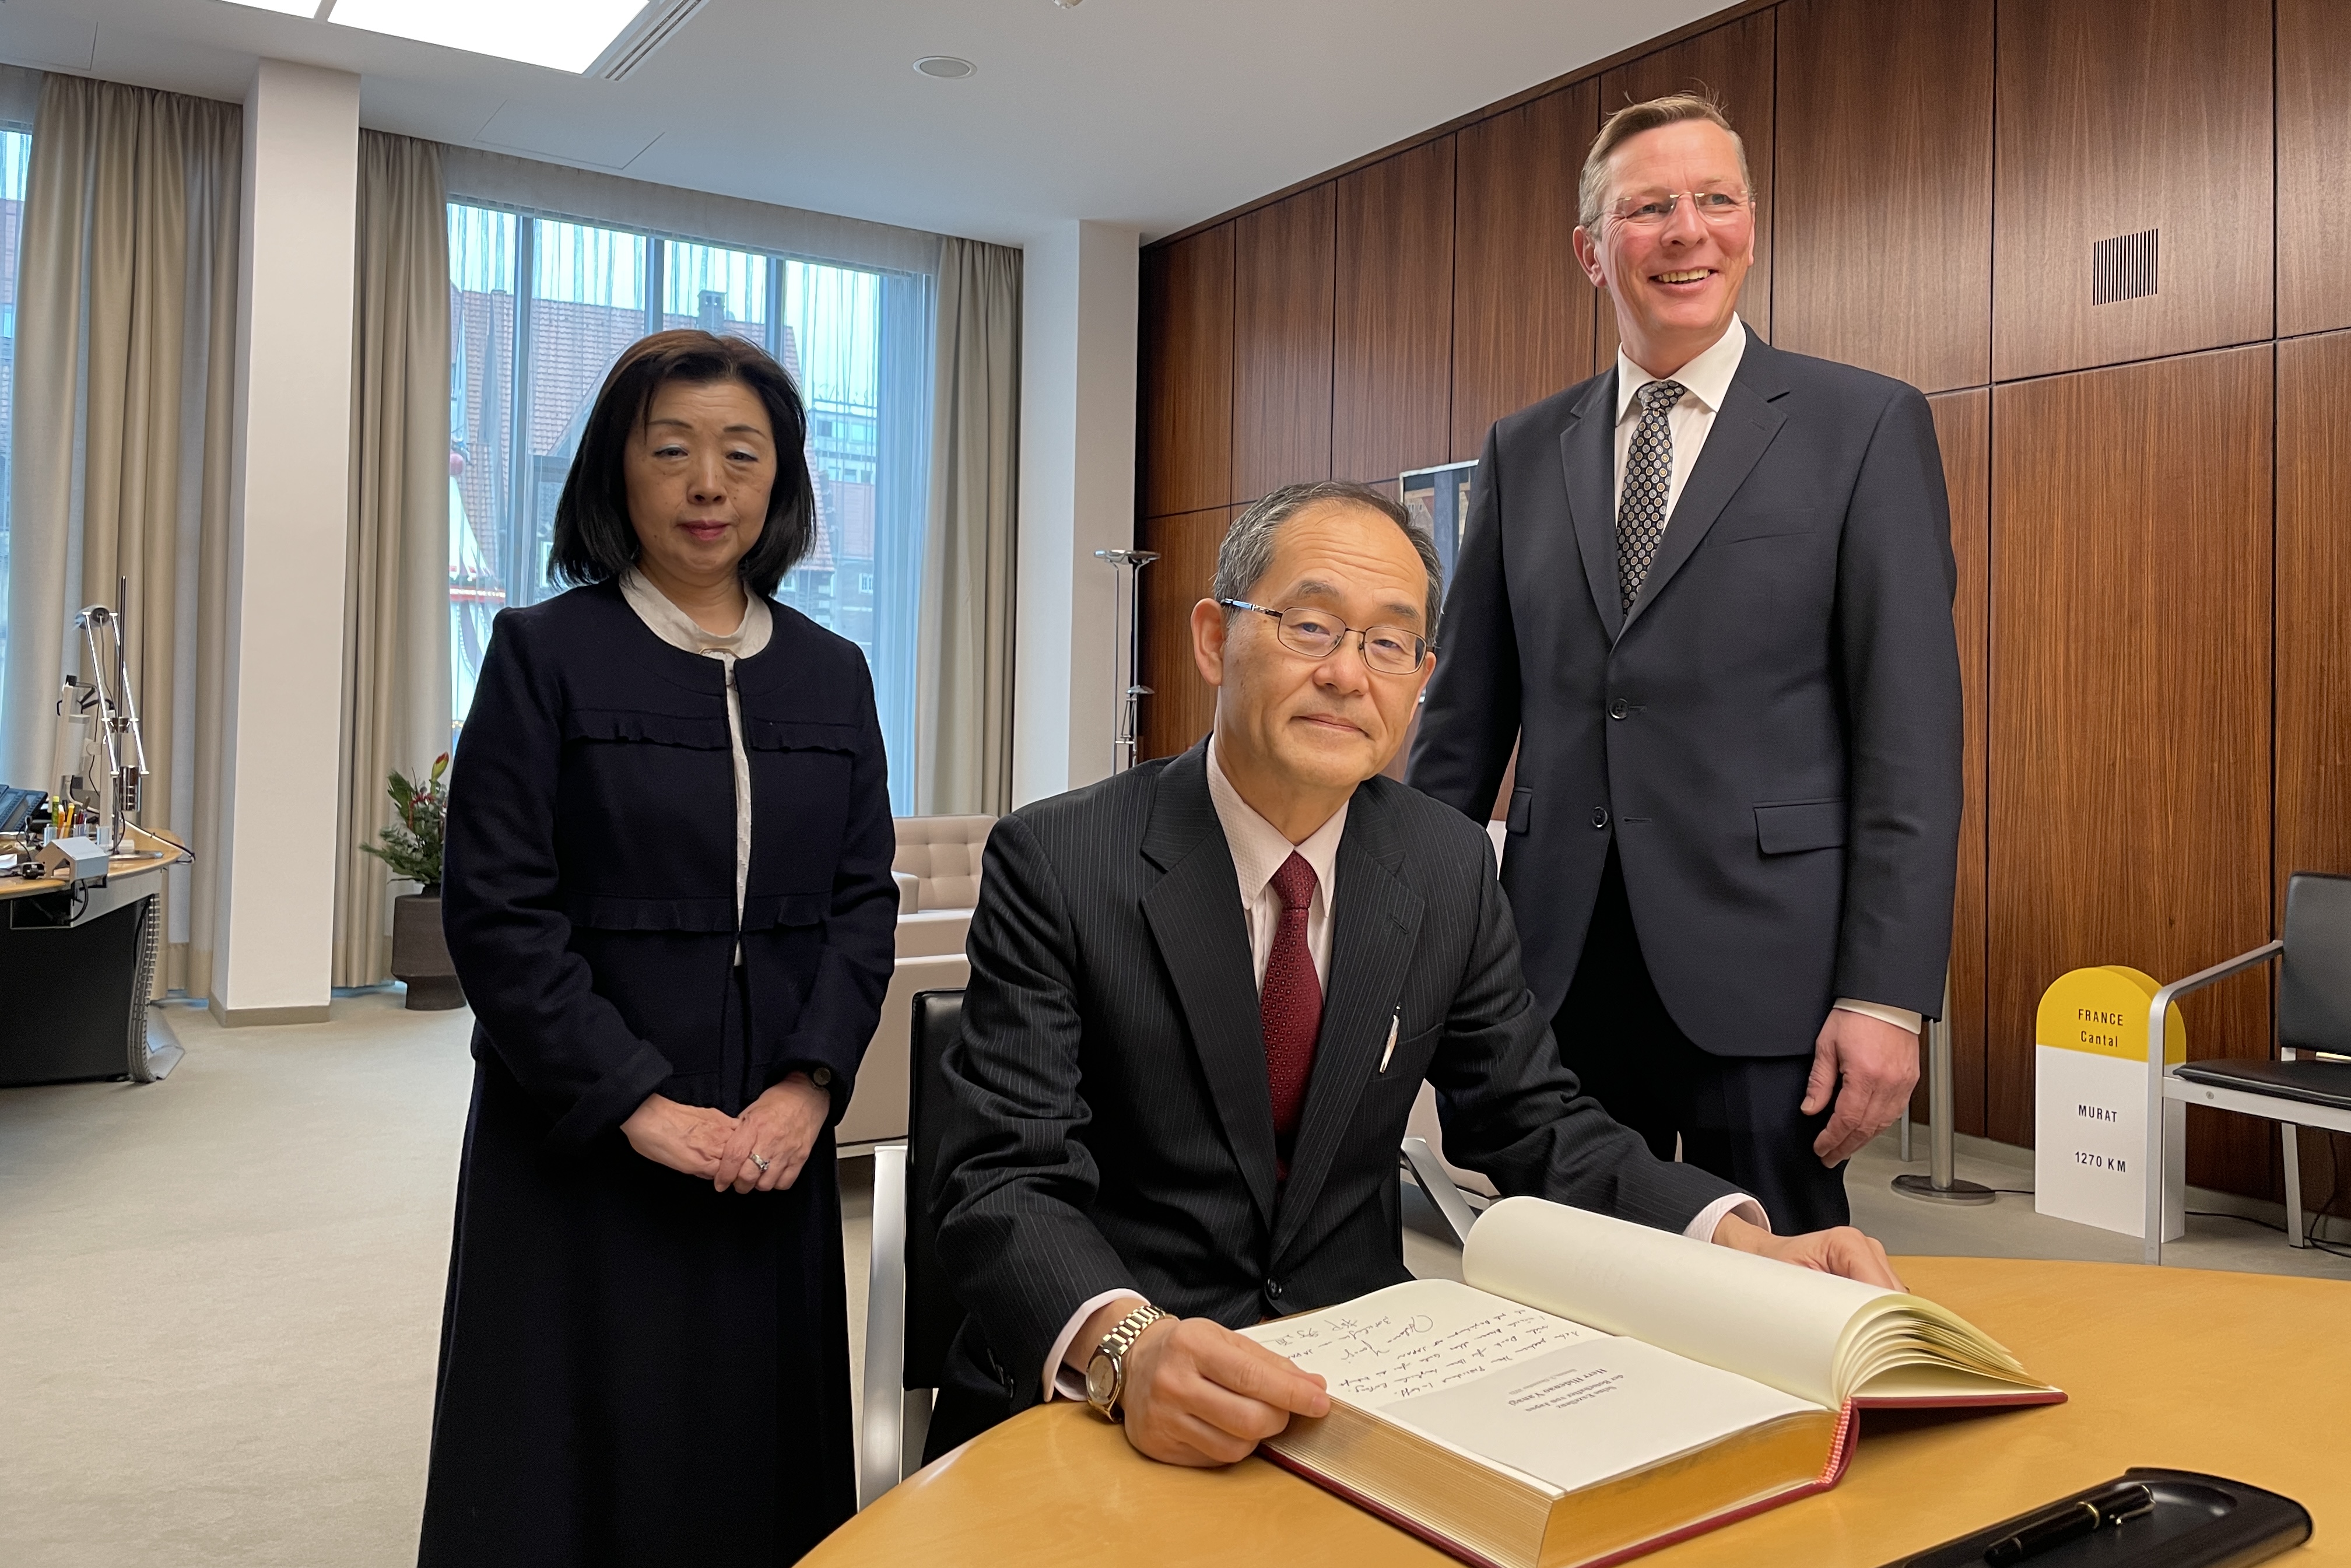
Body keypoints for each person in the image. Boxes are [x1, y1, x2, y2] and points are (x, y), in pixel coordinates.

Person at [927, 481, 1902, 1470]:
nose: (1348, 674)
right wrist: (1128, 1347)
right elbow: (1004, 1175)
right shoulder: (1060, 860)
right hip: (1114, 1397)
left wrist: (1744, 1245)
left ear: (1421, 677)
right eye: (1310, 626)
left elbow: (1532, 1120)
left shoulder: (1446, 865)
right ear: (1215, 639)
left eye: (1389, 643)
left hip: (1353, 1386)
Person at [1409, 93, 1963, 1232]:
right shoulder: (1524, 449)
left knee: (1773, 1300)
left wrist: (1887, 996)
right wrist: (1395, 942)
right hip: (1558, 979)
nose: (1687, 230)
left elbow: (1910, 742)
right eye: (1649, 207)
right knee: (1570, 1287)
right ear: (1591, 250)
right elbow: (1460, 732)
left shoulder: (1863, 427)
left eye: (1716, 199)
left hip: (1771, 985)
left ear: (1750, 226)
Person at [417, 330, 897, 1565]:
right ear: (616, 471)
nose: (708, 484)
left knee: (754, 1453)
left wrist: (810, 1085)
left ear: (782, 478)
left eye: (742, 453)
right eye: (671, 449)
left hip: (771, 1134)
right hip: (580, 1130)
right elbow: (499, 912)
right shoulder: (543, 655)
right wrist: (636, 1102)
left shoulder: (835, 675)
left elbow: (862, 904)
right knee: (577, 1453)